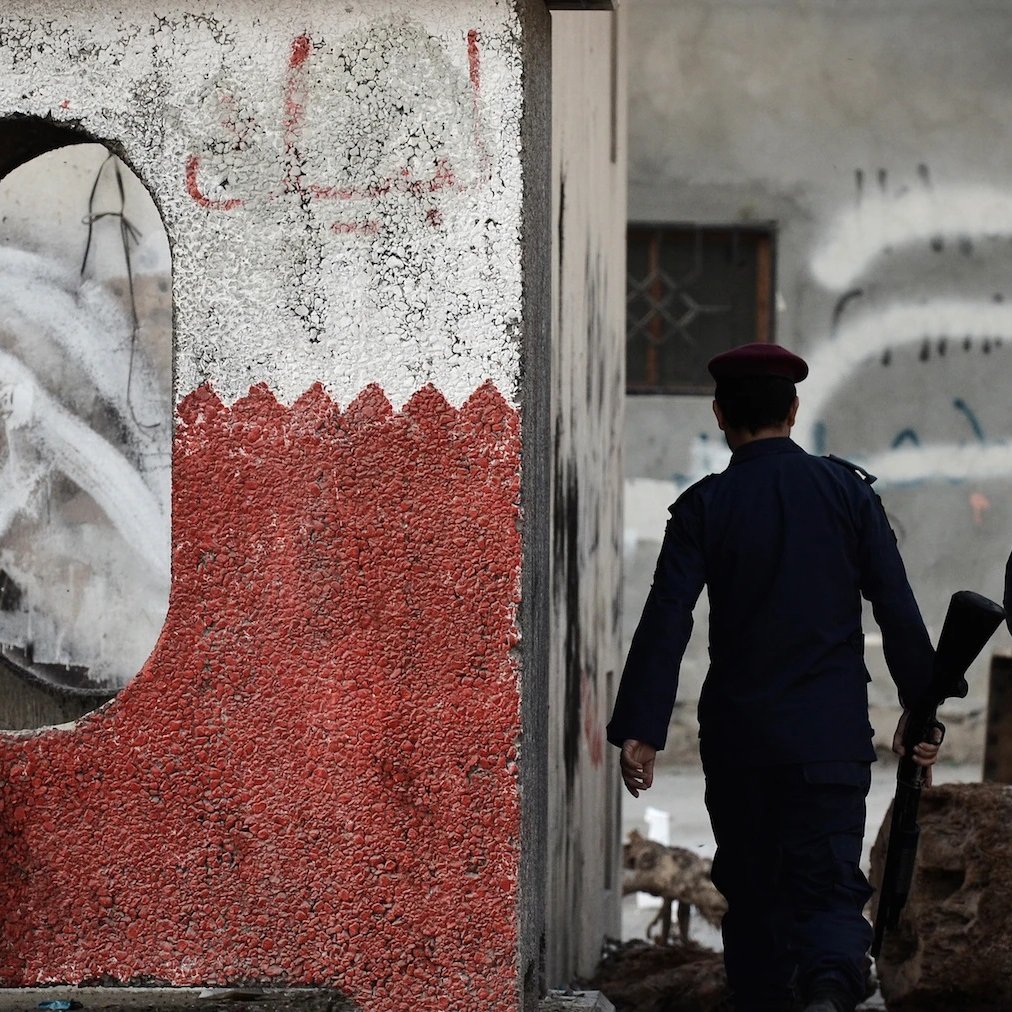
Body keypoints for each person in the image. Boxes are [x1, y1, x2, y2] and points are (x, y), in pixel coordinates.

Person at [607, 342, 942, 1012]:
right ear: (794, 409)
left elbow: (666, 618)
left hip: (742, 744)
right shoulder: (848, 493)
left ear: (719, 414)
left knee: (756, 897)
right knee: (828, 890)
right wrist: (920, 706)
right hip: (828, 740)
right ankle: (828, 990)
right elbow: (897, 606)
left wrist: (643, 730)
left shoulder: (704, 506)